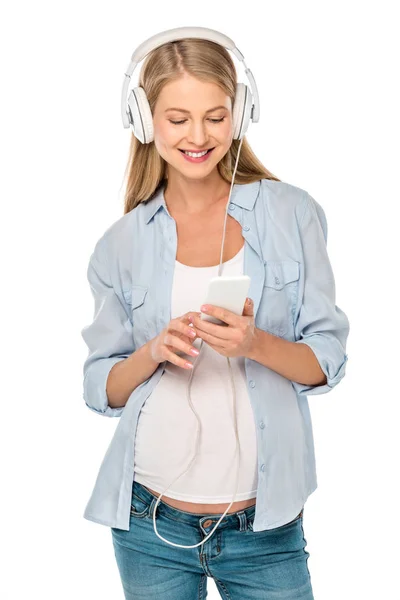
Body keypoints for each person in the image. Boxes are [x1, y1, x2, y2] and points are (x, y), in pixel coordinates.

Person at [81, 35, 350, 600]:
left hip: (264, 529)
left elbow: (327, 361)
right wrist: (152, 351)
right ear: (145, 119)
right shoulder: (121, 244)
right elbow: (99, 387)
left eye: (215, 116)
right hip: (148, 524)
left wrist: (255, 344)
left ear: (242, 112)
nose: (198, 137)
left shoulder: (292, 213)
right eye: (178, 118)